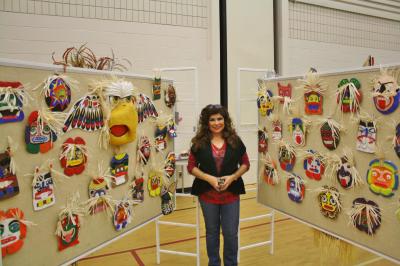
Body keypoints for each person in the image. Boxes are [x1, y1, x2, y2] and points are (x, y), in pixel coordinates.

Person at [187, 104, 250, 266]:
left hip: (231, 196)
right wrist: (209, 178)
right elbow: (191, 167)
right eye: (212, 119)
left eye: (220, 119)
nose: (216, 123)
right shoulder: (199, 143)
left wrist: (233, 177)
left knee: (230, 234)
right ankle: (213, 263)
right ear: (206, 122)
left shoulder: (235, 140)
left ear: (225, 120)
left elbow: (245, 164)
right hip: (208, 196)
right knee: (212, 233)